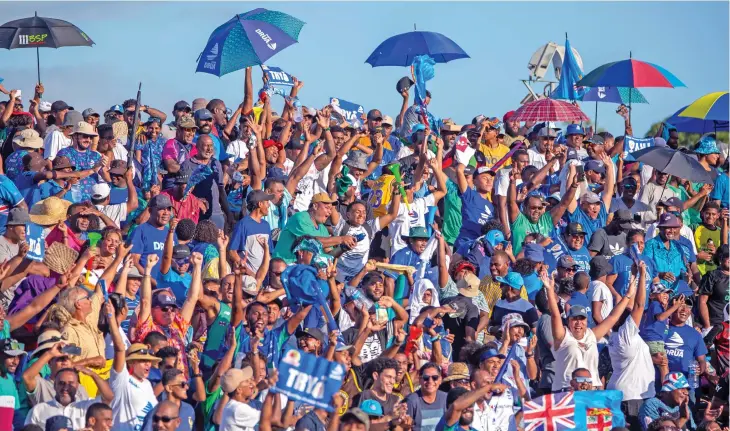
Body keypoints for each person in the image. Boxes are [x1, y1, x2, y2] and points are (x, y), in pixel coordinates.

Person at [542, 265, 637, 392]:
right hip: (567, 391)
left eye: (582, 319)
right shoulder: (562, 337)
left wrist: (628, 295)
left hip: (593, 391)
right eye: (574, 319)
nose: (578, 323)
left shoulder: (591, 335)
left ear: (587, 321)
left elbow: (613, 317)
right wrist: (549, 289)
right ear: (569, 321)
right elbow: (555, 315)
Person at [24, 367, 112, 430]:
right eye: (61, 383)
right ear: (54, 385)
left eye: (71, 383)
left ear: (78, 386)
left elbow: (108, 397)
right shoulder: (38, 410)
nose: (65, 387)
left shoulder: (88, 406)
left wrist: (92, 374)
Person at [405, 362, 447, 431]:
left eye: (435, 377)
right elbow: (406, 428)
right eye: (426, 378)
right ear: (420, 380)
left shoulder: (446, 398)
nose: (430, 381)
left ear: (440, 380)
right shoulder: (411, 401)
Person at [218, 367, 260, 431]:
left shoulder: (232, 406)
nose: (251, 383)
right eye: (246, 381)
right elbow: (268, 418)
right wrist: (272, 391)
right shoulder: (237, 408)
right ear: (239, 390)